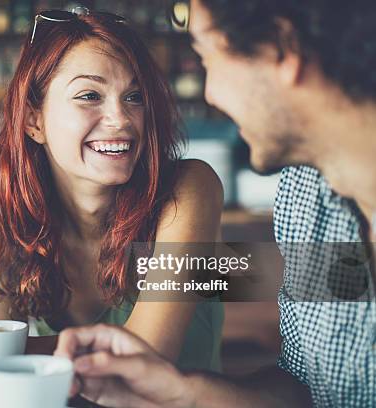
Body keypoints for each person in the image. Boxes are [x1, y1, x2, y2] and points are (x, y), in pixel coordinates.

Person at [55, 0, 376, 407]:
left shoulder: (193, 186)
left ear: (282, 48)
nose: (210, 93)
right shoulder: (302, 192)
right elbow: (307, 388)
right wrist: (185, 395)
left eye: (208, 56)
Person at [0, 7, 225, 372]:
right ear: (34, 120)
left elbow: (143, 359)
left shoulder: (189, 189)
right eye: (89, 95)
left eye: (134, 97)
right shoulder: (4, 222)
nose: (121, 119)